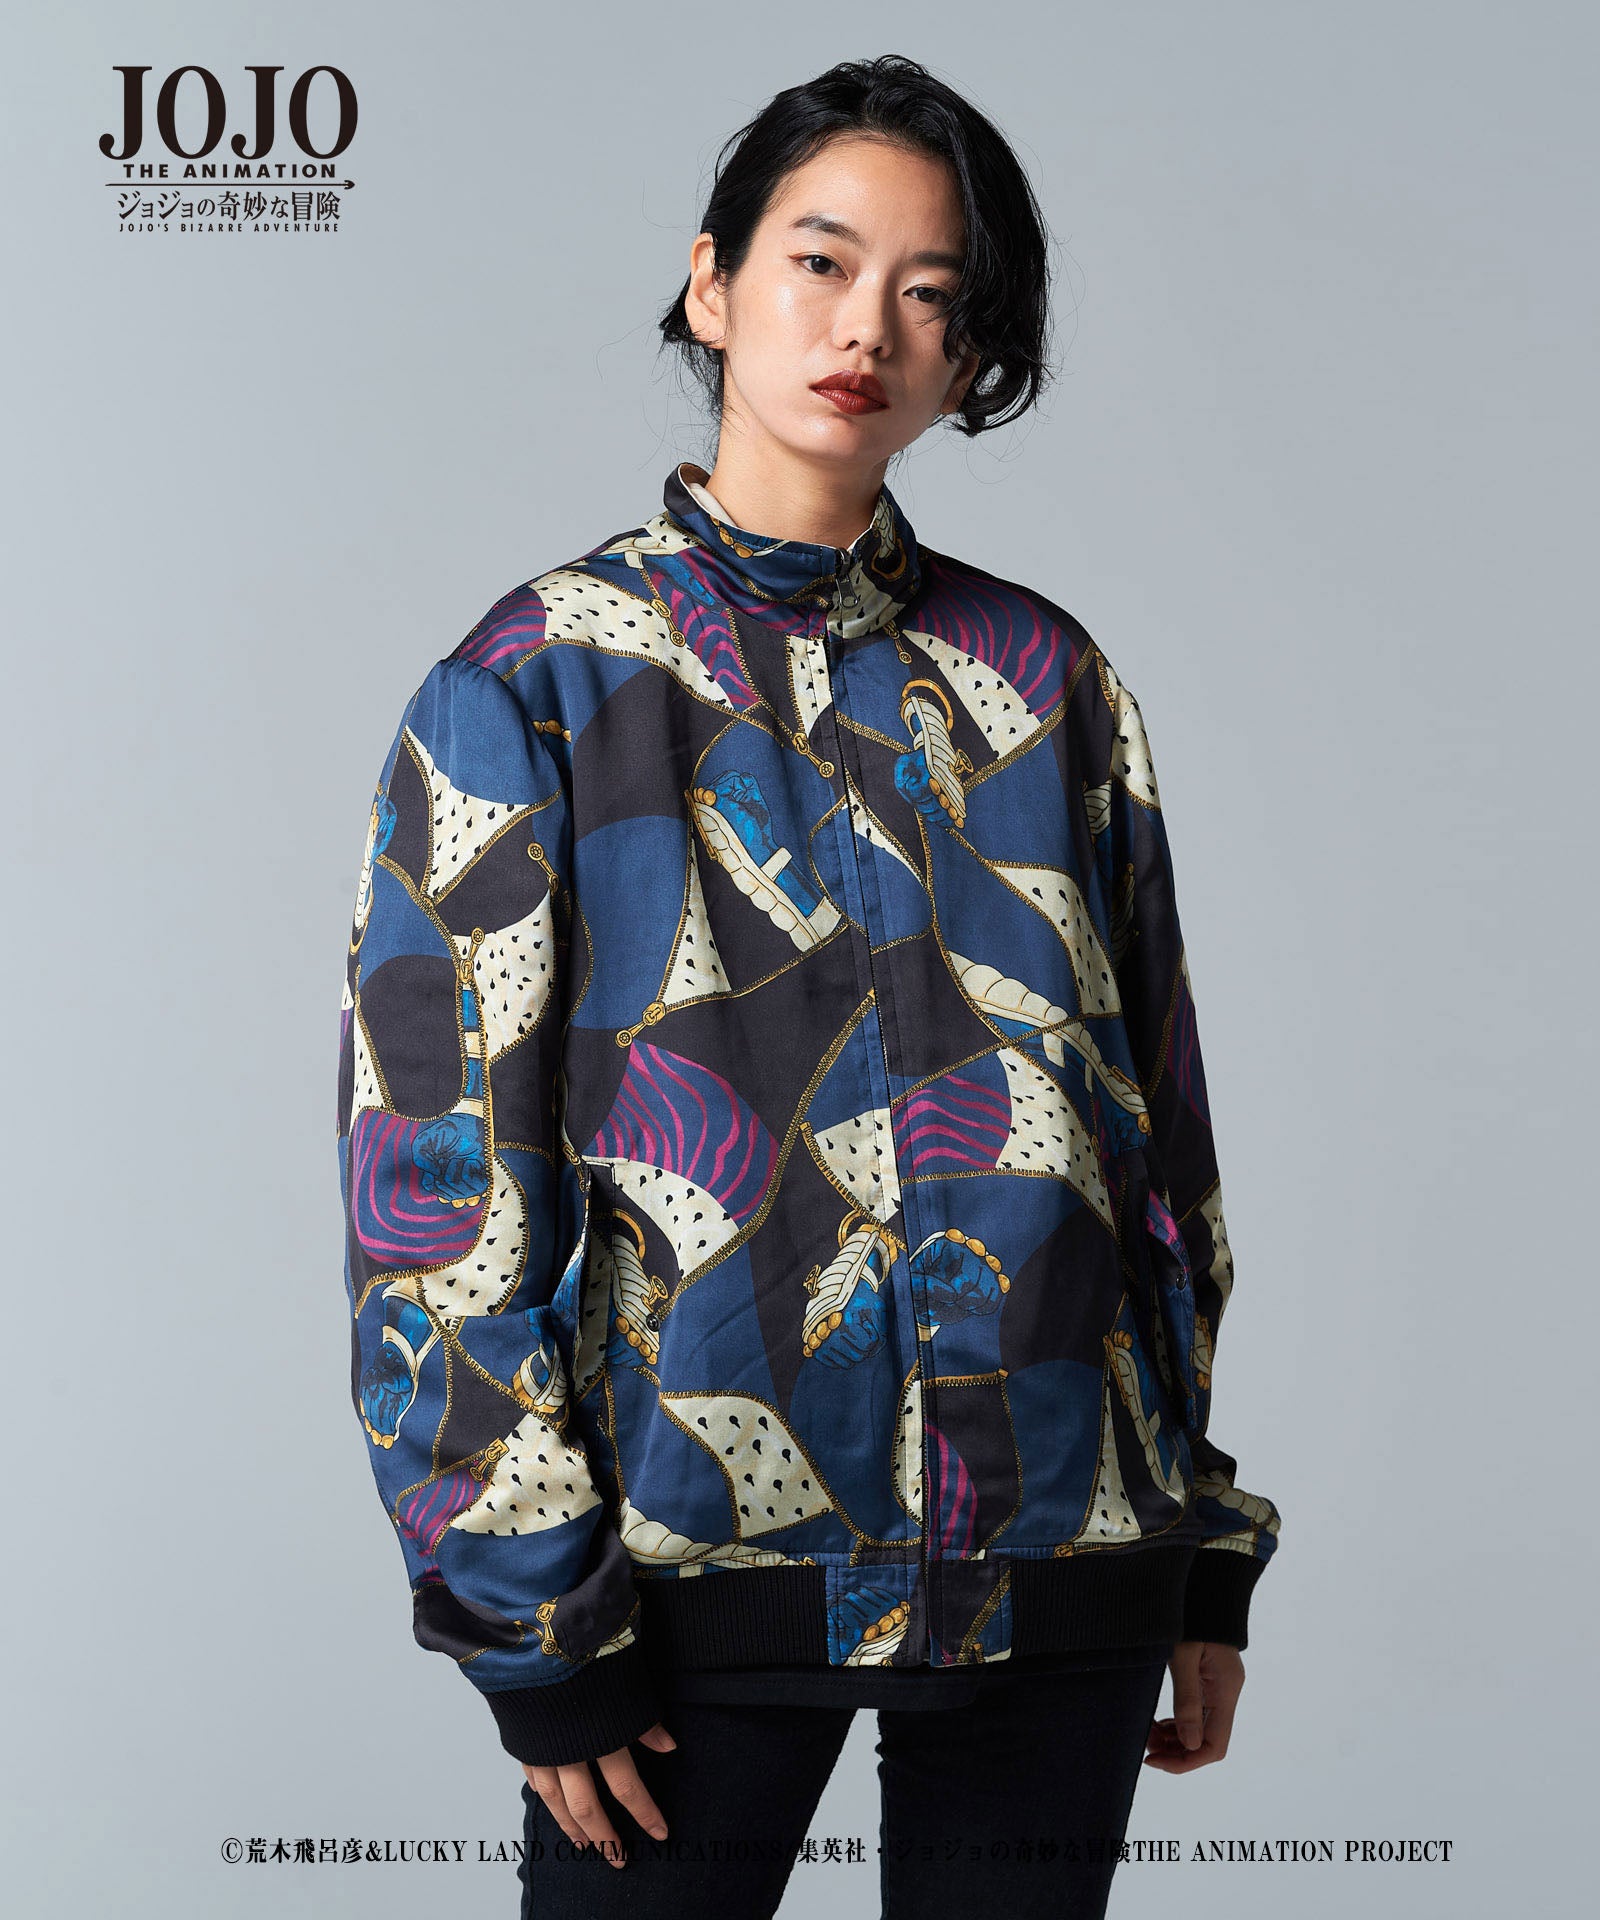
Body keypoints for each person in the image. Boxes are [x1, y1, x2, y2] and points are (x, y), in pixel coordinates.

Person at [334, 52, 1282, 1919]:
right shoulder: (534, 684)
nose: (869, 329)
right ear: (714, 284)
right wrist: (535, 1621)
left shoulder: (1044, 680)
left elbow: (1157, 1141)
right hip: (684, 1589)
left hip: (1064, 1565)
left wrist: (1194, 1537)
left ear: (970, 350)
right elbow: (432, 1189)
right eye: (822, 263)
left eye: (933, 292)